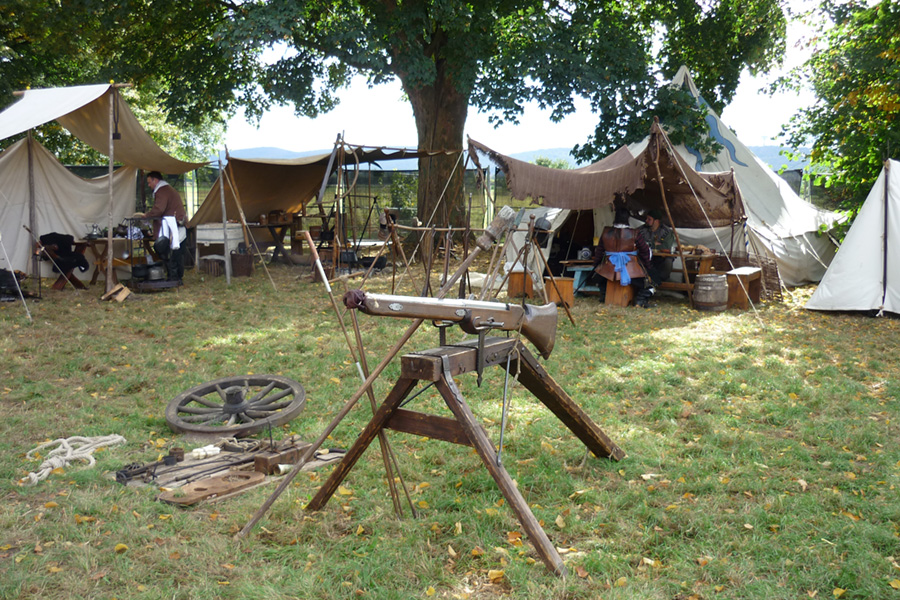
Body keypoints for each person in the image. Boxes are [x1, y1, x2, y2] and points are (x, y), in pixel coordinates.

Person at [593, 206, 654, 307]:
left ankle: (604, 297)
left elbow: (599, 251)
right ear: (627, 218)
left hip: (608, 270)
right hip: (631, 271)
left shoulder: (606, 232)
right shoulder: (635, 233)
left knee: (600, 279)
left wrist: (596, 265)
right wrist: (646, 266)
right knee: (650, 284)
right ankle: (640, 301)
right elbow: (645, 250)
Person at [133, 171, 186, 282]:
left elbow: (159, 209)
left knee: (171, 252)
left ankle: (174, 278)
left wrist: (147, 216)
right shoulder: (166, 189)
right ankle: (174, 278)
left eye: (149, 182)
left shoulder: (162, 191)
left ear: (155, 180)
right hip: (175, 224)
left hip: (174, 226)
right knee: (173, 253)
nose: (149, 185)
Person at [638, 208, 676, 286]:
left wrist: (648, 244)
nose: (646, 221)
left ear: (656, 221)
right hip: (645, 257)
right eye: (646, 218)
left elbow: (666, 246)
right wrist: (653, 244)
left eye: (649, 219)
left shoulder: (667, 232)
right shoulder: (641, 230)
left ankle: (661, 280)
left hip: (661, 259)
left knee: (668, 260)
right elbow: (637, 242)